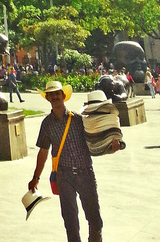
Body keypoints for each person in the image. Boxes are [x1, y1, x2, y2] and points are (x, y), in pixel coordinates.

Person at [29, 79, 122, 242]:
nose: (55, 97)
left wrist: (111, 147)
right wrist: (35, 178)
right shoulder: (47, 124)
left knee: (94, 219)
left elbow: (94, 144)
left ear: (64, 96)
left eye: (57, 94)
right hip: (64, 177)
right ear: (48, 98)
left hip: (85, 173)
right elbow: (43, 152)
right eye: (51, 95)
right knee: (70, 221)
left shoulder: (79, 120)